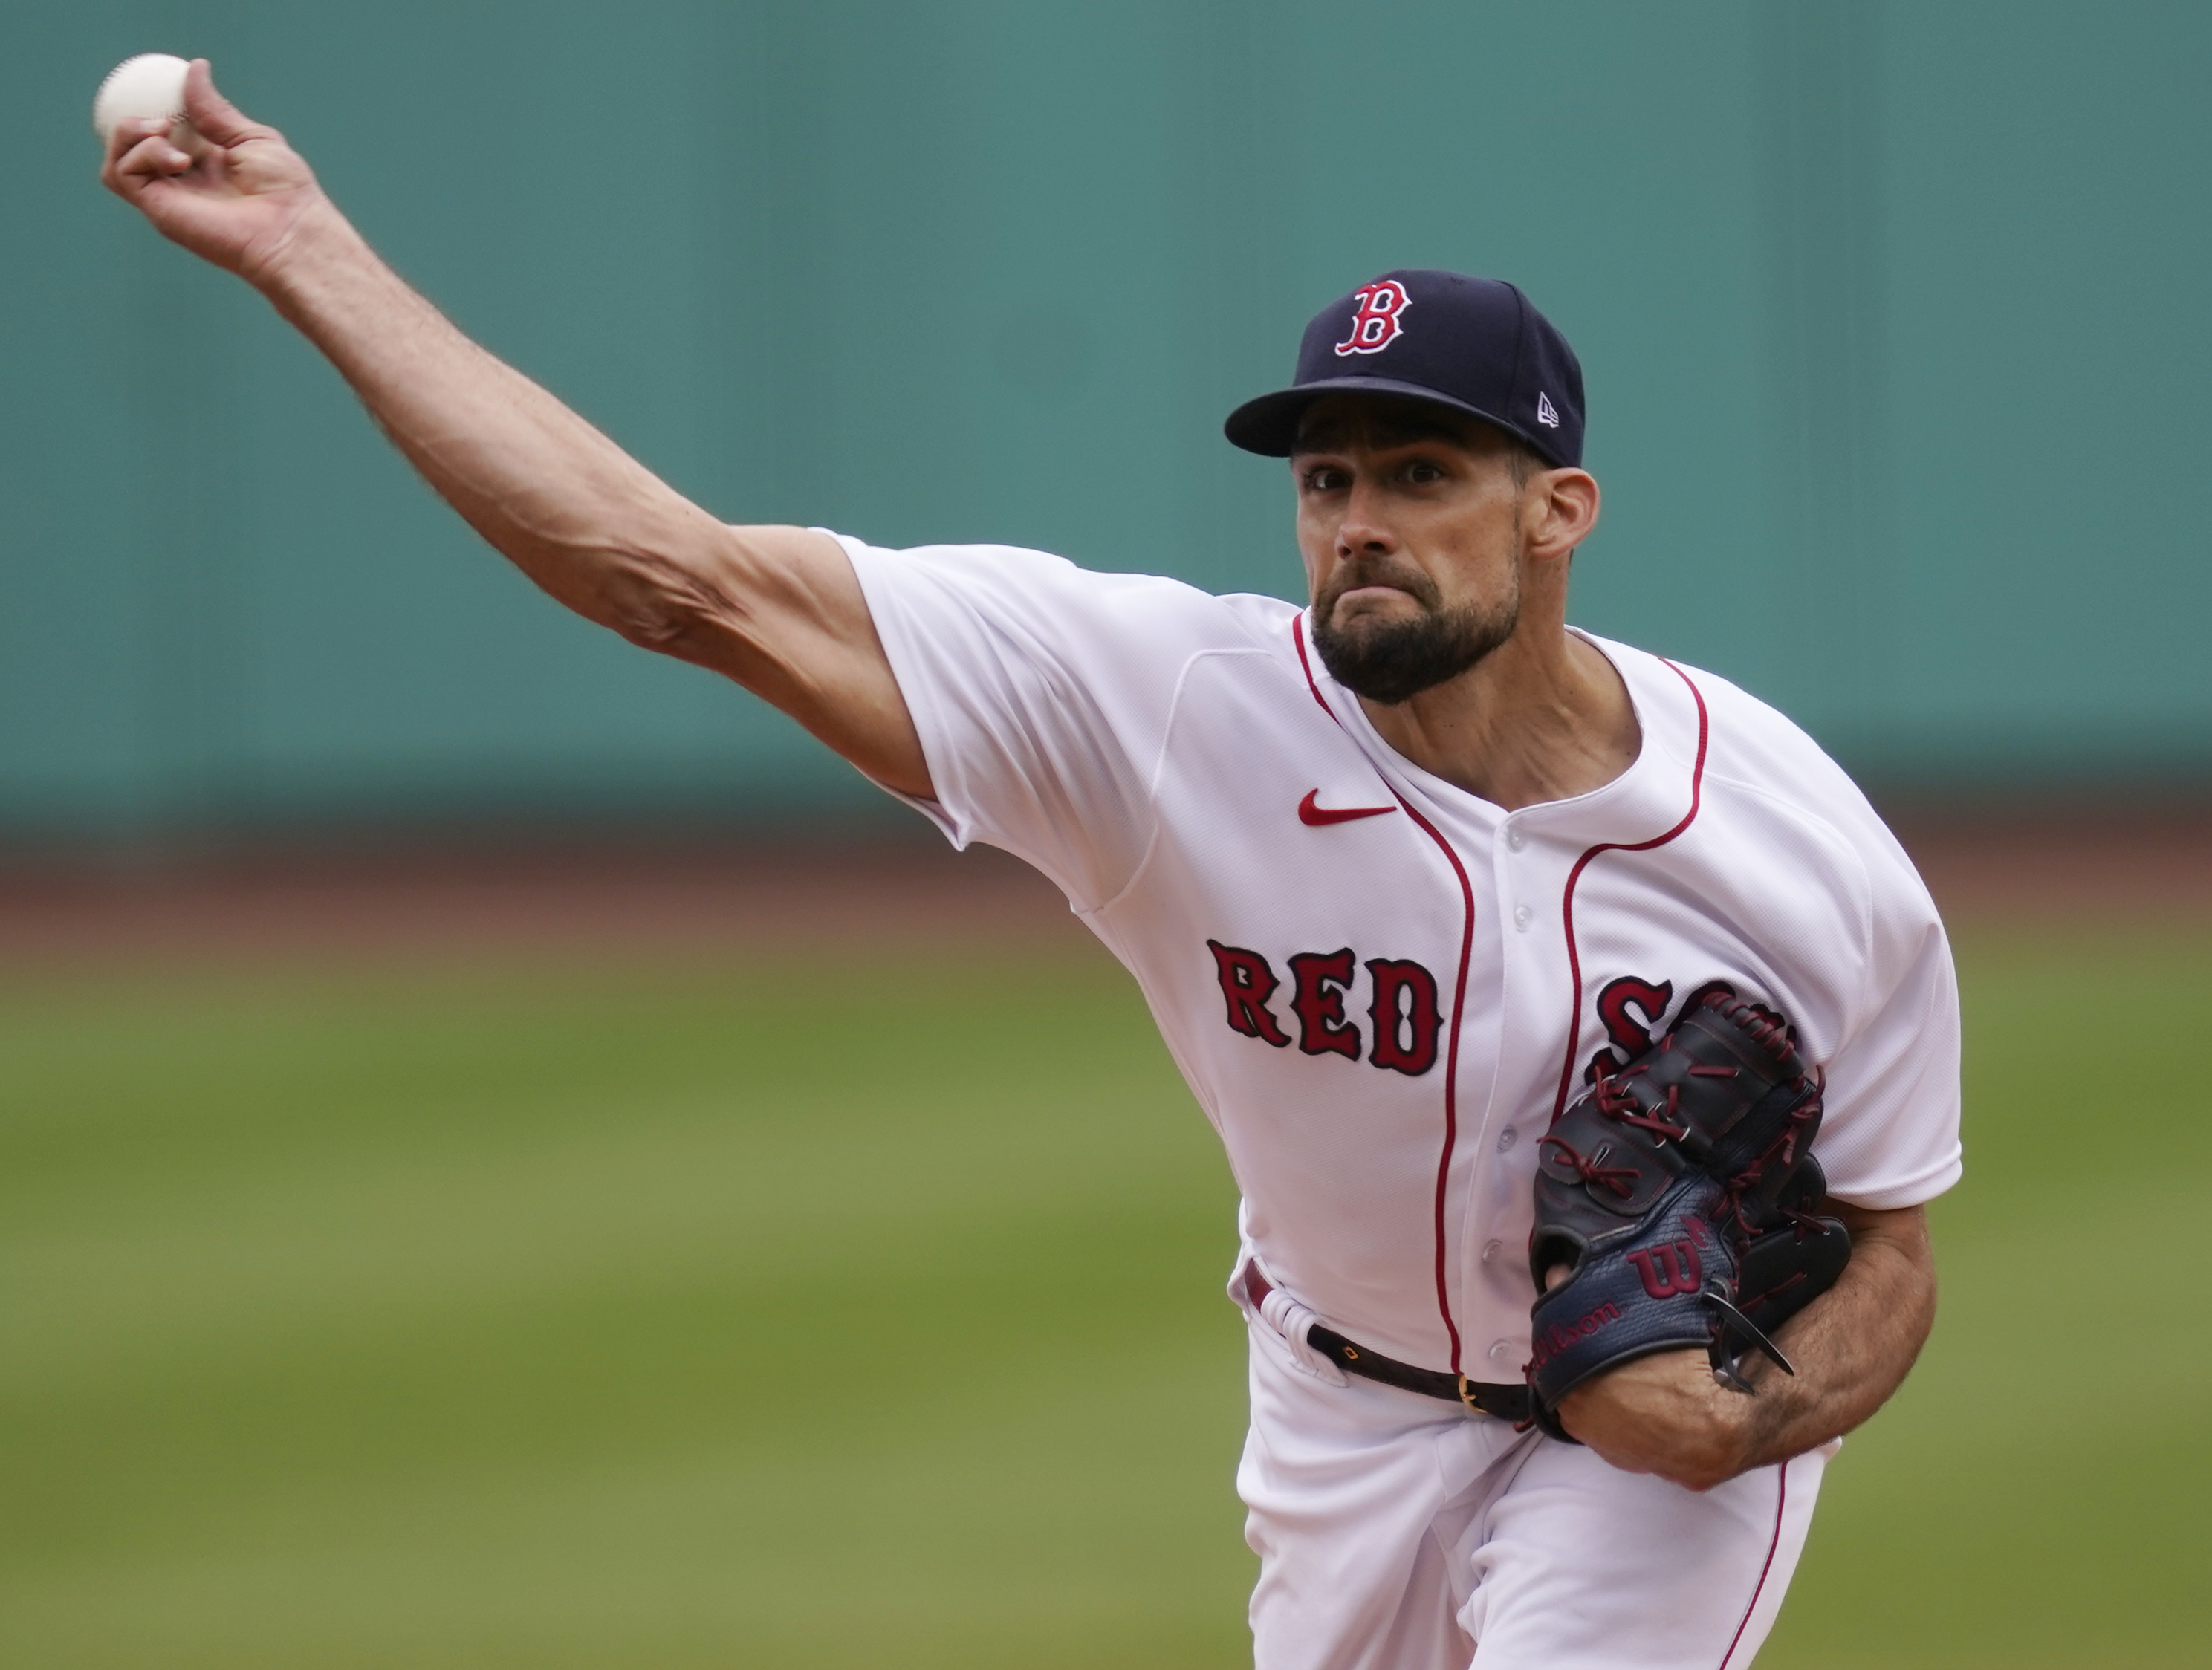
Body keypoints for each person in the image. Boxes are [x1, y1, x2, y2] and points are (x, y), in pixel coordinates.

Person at [105, 62, 1960, 1670]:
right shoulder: (1163, 709)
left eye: (1420, 473)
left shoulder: (1788, 841)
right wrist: (302, 251)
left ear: (1560, 509)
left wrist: (1754, 1420)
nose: (1361, 524)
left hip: (1638, 1470)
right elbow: (675, 579)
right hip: (1339, 1414)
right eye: (1326, 481)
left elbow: (1887, 1237)